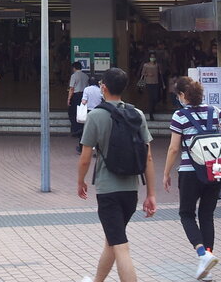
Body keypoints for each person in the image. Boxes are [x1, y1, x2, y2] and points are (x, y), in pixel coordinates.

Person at [77, 67, 157, 282]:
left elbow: (85, 158)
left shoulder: (96, 116)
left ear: (103, 87)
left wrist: (80, 182)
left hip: (108, 191)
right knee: (112, 241)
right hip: (131, 191)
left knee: (121, 247)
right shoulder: (137, 114)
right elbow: (148, 157)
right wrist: (151, 193)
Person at [163, 76, 221, 280]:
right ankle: (207, 267)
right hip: (214, 171)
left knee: (186, 214)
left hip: (189, 172)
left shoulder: (179, 115)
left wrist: (166, 172)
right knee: (207, 215)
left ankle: (202, 254)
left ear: (181, 95)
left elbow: (174, 148)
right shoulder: (214, 111)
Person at [68, 61, 90, 149]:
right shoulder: (86, 76)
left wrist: (69, 98)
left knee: (73, 113)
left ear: (74, 68)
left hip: (76, 95)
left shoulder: (74, 76)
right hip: (83, 95)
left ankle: (76, 130)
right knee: (82, 113)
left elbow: (72, 88)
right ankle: (81, 129)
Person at [139, 53, 161, 120]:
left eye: (153, 57)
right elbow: (142, 73)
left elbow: (160, 73)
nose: (152, 58)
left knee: (156, 97)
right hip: (148, 83)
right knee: (151, 98)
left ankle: (153, 108)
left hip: (156, 82)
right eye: (151, 57)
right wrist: (148, 74)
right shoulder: (146, 65)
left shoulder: (157, 65)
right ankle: (151, 113)